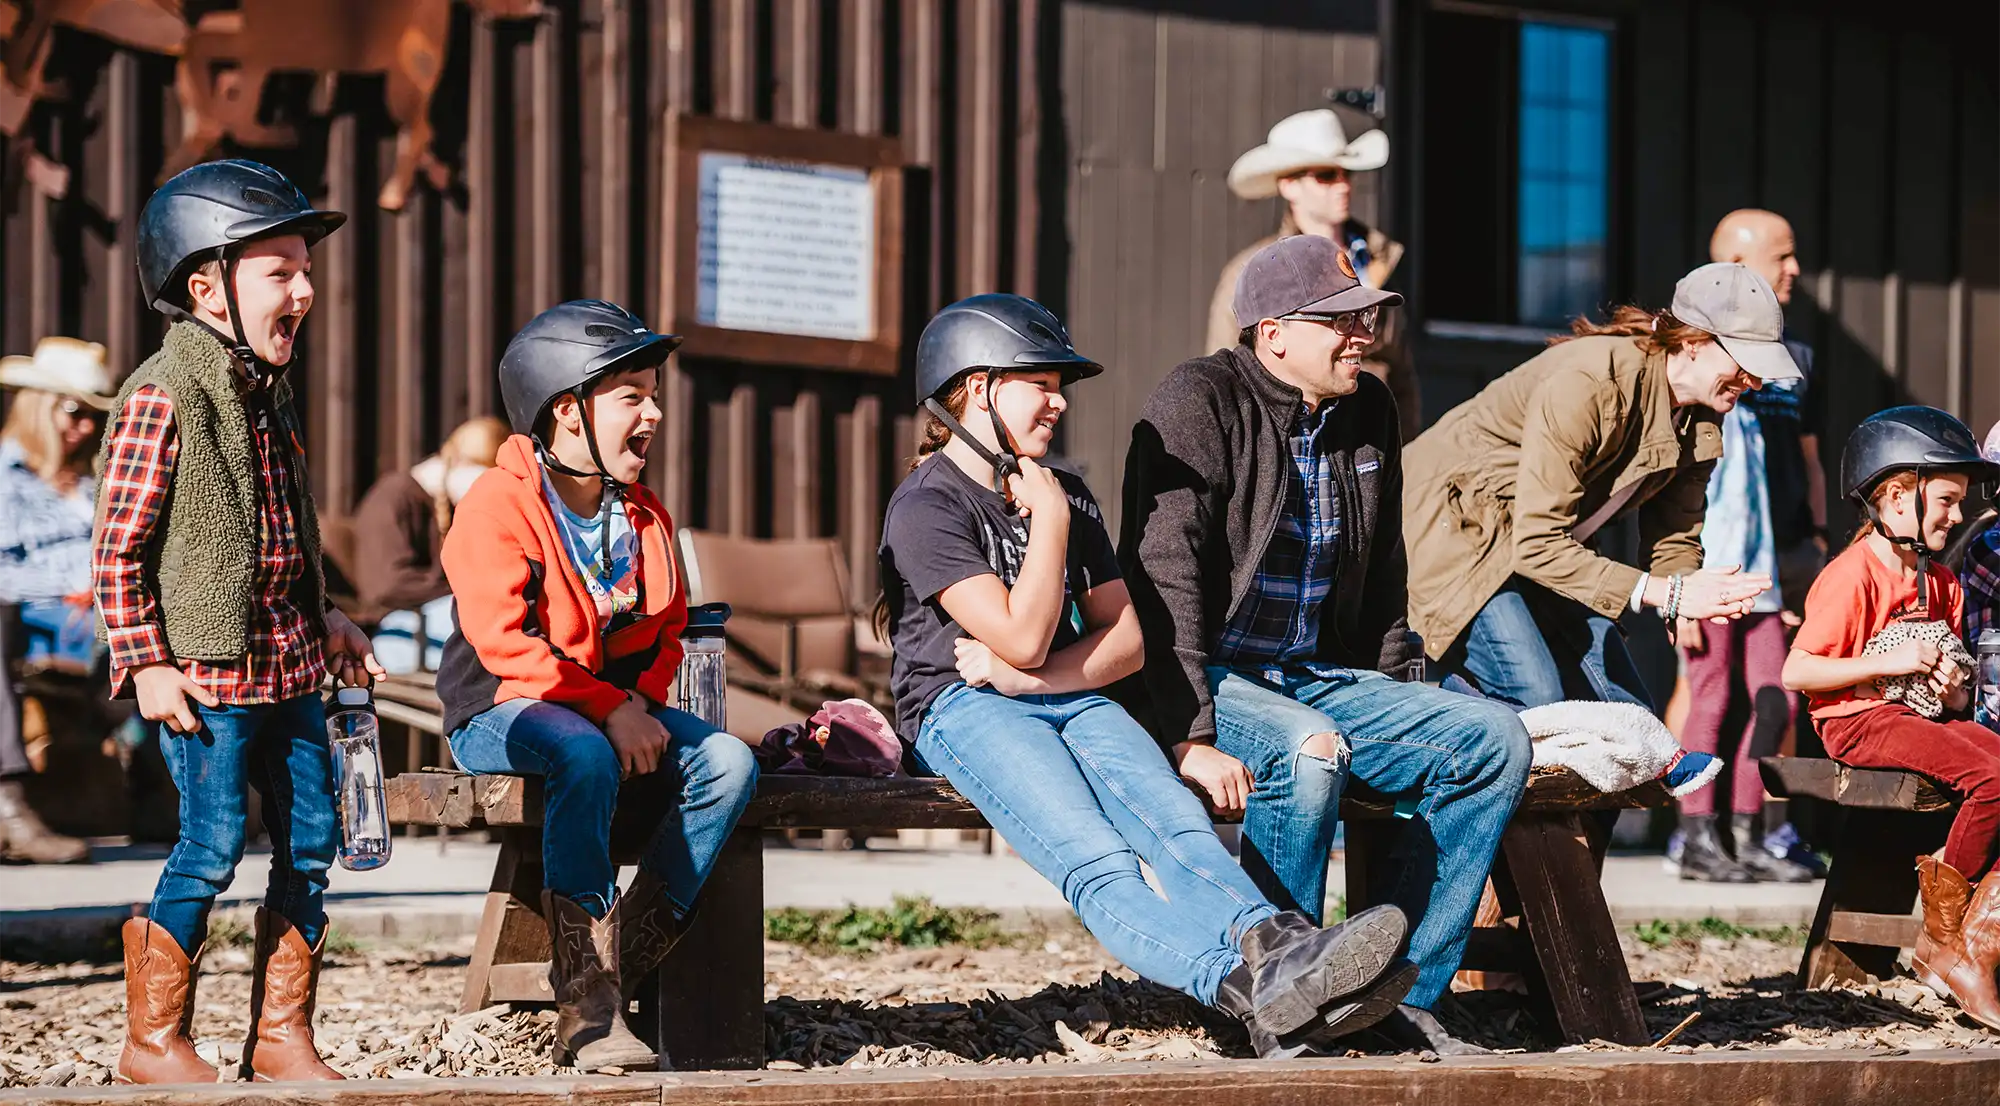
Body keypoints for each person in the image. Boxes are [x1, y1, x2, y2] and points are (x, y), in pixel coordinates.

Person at [881, 293, 1414, 1060]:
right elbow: (1023, 635)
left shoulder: (1061, 490)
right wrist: (1052, 531)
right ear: (974, 387)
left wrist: (1037, 678)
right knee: (1099, 864)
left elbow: (1128, 639)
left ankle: (1288, 951)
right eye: (1041, 382)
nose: (1059, 402)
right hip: (962, 710)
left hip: (1063, 692)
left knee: (1178, 828)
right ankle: (1251, 996)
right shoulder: (929, 504)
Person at [1121, 235, 1526, 1056]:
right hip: (1218, 679)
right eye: (1338, 321)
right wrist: (1189, 731)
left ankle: (1394, 991)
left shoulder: (1369, 409)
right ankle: (1272, 995)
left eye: (1366, 317)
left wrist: (1399, 693)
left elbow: (1384, 573)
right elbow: (1162, 577)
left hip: (1318, 674)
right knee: (1308, 756)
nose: (1362, 335)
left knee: (1494, 740)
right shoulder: (1198, 401)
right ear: (1272, 333)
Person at [94, 159, 385, 1085]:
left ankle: (280, 1036)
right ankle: (153, 1041)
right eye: (279, 271)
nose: (304, 289)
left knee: (310, 842)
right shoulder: (162, 396)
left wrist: (329, 614)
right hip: (206, 678)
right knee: (211, 843)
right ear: (204, 286)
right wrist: (145, 660)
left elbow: (285, 530)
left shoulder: (268, 393)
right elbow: (117, 552)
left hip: (290, 666)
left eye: (306, 269)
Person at [438, 299, 759, 1072]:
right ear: (566, 411)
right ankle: (587, 1005)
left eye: (654, 393)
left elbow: (671, 626)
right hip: (502, 708)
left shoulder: (644, 513)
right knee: (580, 752)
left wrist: (640, 702)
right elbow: (505, 645)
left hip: (606, 711)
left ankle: (615, 961)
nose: (653, 412)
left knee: (731, 764)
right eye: (631, 396)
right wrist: (612, 710)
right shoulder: (497, 502)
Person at [1403, 262, 1796, 713]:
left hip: (1536, 549)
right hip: (1455, 534)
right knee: (1536, 700)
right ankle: (1432, 731)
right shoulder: (1592, 382)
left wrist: (1684, 593)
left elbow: (1675, 532)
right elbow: (1537, 544)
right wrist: (1667, 593)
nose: (1756, 382)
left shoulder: (1703, 417)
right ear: (1693, 343)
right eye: (1746, 363)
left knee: (1629, 717)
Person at [1781, 406, 2000, 1028]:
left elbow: (1950, 685)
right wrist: (1891, 659)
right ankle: (1944, 938)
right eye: (1948, 501)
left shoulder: (1942, 584)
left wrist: (1952, 687)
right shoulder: (1851, 575)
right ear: (1897, 496)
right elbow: (1798, 672)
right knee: (1993, 780)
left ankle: (1967, 943)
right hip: (1858, 718)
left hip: (1916, 717)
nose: (1958, 516)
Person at [1668, 212, 1822, 884]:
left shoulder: (1772, 390)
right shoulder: (1701, 391)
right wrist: (1681, 586)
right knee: (1710, 694)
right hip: (1710, 568)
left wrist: (1805, 546)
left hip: (1763, 567)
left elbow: (1789, 475)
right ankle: (1694, 831)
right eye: (1781, 258)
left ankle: (1749, 827)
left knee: (1775, 696)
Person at [1206, 109, 1420, 440]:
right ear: (1289, 186)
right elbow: (1223, 373)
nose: (1343, 185)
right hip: (1288, 441)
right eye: (1325, 175)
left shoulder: (1380, 261)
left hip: (1369, 443)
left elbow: (1402, 373)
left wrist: (1405, 451)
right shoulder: (1251, 271)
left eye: (1346, 173)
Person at [0, 337, 113, 865]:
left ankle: (178, 797)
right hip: (31, 615)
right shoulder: (6, 475)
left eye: (93, 415)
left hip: (96, 614)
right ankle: (12, 805)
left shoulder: (89, 482)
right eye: (74, 410)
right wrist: (71, 582)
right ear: (39, 406)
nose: (85, 426)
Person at [351, 415, 508, 672]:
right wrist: (466, 590)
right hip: (394, 630)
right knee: (477, 609)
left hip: (427, 624)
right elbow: (385, 587)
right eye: (482, 480)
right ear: (459, 463)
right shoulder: (393, 496)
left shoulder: (453, 508)